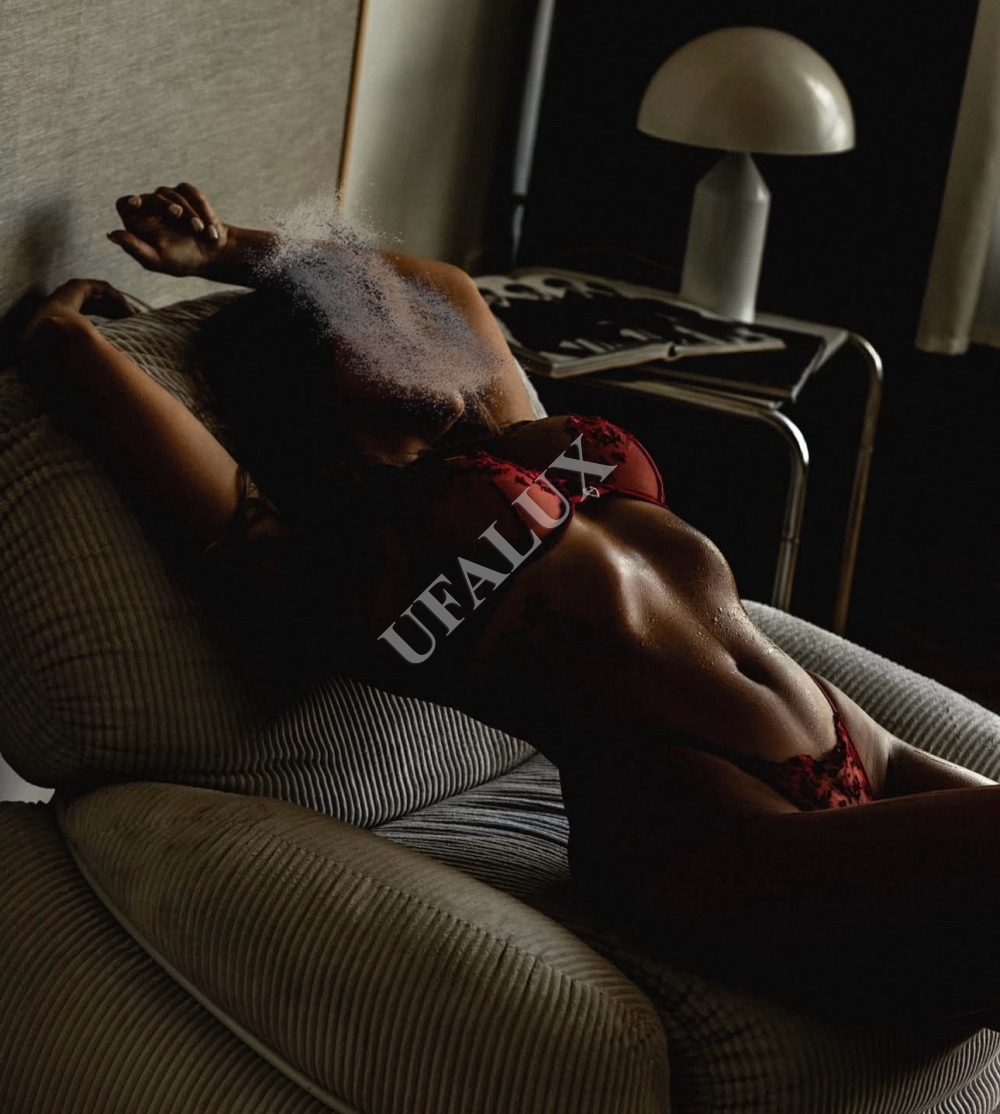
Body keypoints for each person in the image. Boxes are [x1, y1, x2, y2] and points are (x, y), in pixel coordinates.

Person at [18, 182, 1000, 1030]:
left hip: (859, 751)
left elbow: (443, 285)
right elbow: (124, 413)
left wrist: (227, 249)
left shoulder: (506, 428)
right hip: (706, 839)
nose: (418, 329)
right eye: (372, 323)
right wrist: (67, 337)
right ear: (314, 376)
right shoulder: (346, 560)